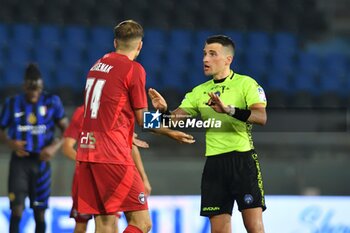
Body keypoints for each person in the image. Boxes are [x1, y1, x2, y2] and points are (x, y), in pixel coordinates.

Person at [75, 19, 194, 233]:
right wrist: (170, 132)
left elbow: (104, 111)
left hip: (87, 152)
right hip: (112, 156)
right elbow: (143, 121)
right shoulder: (133, 69)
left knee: (105, 223)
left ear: (115, 42)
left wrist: (126, 133)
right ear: (140, 46)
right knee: (142, 223)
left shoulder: (96, 65)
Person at [148, 35, 267, 233]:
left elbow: (261, 117)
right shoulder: (199, 92)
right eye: (204, 54)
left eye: (212, 54)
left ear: (228, 59)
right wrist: (162, 110)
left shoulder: (246, 84)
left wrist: (229, 110)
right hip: (214, 165)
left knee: (254, 227)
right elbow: (168, 122)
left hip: (243, 161)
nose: (205, 59)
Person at [0, 63, 68, 233]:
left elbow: (68, 129)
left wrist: (54, 147)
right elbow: (0, 130)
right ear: (24, 86)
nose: (34, 93)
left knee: (40, 213)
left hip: (41, 163)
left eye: (37, 88)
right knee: (17, 210)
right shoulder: (12, 103)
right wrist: (10, 142)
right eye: (30, 88)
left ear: (41, 85)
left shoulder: (52, 102)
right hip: (20, 163)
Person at [62, 105, 152, 233]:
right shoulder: (89, 112)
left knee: (108, 224)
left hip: (109, 172)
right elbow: (145, 119)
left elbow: (131, 145)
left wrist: (144, 178)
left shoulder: (113, 111)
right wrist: (169, 123)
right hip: (102, 172)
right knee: (89, 226)